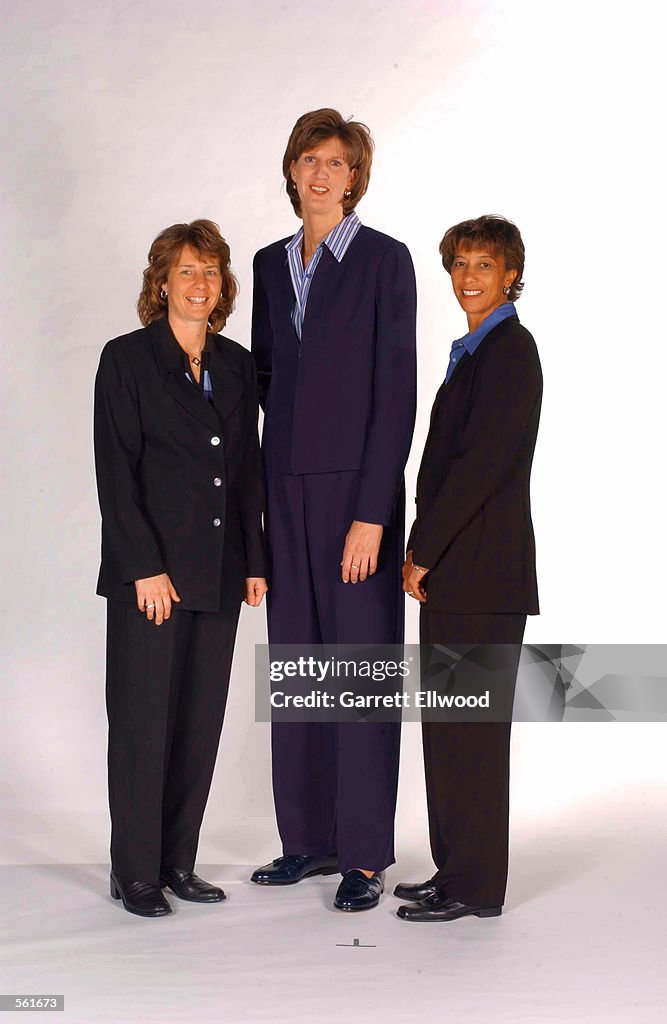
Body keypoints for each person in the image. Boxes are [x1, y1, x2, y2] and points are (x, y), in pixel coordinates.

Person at [250, 109, 417, 911]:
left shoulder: (386, 262)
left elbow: (396, 395)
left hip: (356, 496)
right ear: (290, 171)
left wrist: (373, 512)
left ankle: (362, 856)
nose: (319, 174)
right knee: (300, 671)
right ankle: (307, 842)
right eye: (307, 159)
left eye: (335, 162)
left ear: (354, 176)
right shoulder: (268, 265)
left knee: (356, 675)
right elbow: (264, 394)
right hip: (284, 493)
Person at [94, 220, 267, 917]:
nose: (201, 284)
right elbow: (116, 472)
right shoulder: (126, 360)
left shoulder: (235, 363)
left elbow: (248, 469)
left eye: (211, 271)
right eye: (187, 271)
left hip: (219, 573)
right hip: (152, 580)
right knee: (143, 724)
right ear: (161, 282)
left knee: (198, 723)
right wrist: (143, 568)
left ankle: (176, 862)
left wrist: (256, 562)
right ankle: (134, 871)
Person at [394, 215, 542, 923]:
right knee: (447, 730)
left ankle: (476, 886)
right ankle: (451, 869)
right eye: (458, 264)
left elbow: (479, 467)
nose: (468, 278)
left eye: (483, 265)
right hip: (457, 572)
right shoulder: (473, 351)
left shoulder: (510, 351)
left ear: (510, 273)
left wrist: (421, 548)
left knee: (473, 740)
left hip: (482, 573)